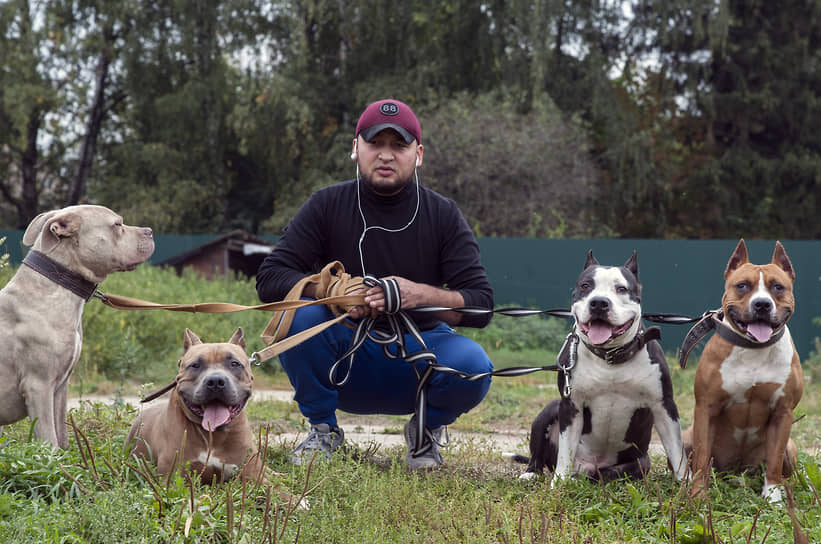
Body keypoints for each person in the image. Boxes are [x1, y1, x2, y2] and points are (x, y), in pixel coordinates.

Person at [256, 98, 494, 470]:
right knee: (298, 320)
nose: (385, 155)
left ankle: (425, 432)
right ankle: (322, 430)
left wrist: (417, 294)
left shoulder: (443, 214)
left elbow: (481, 305)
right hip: (346, 359)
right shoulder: (326, 204)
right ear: (355, 149)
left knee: (474, 364)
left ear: (418, 154)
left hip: (418, 354)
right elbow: (270, 278)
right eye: (374, 143)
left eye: (398, 145)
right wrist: (333, 292)